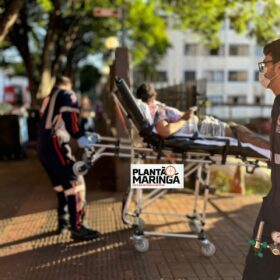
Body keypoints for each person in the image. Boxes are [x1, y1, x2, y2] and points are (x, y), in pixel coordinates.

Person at [38, 76, 101, 241]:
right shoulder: (67, 94)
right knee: (76, 182)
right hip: (57, 145)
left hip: (43, 147)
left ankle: (63, 220)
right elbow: (71, 122)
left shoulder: (49, 97)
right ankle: (78, 227)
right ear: (69, 84)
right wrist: (80, 137)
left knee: (61, 185)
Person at [136, 82, 270, 151]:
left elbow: (168, 125)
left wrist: (186, 114)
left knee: (237, 128)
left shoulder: (153, 109)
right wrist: (185, 118)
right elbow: (165, 131)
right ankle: (273, 152)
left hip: (199, 126)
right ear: (154, 94)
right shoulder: (156, 109)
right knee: (240, 132)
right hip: (200, 130)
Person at [242, 39, 280, 279]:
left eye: (266, 63)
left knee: (259, 269)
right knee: (258, 267)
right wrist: (249, 139)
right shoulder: (278, 103)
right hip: (275, 202)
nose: (263, 70)